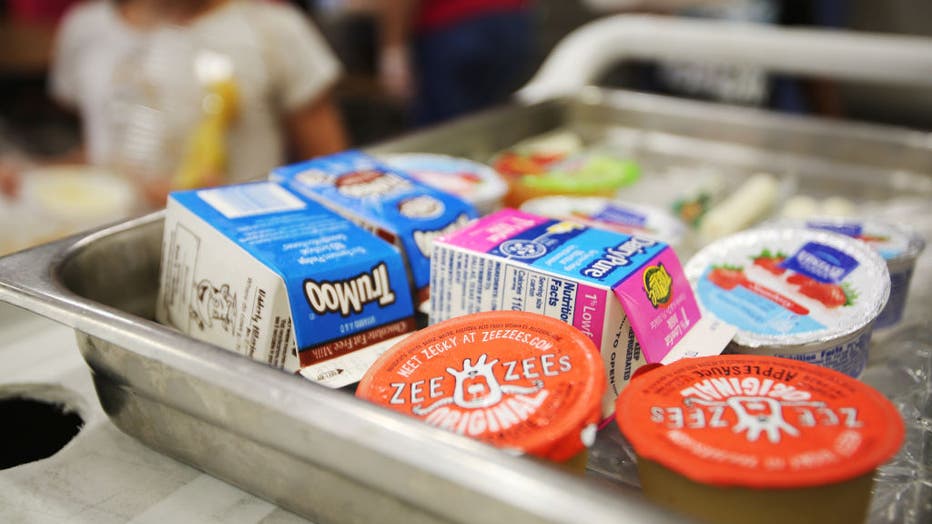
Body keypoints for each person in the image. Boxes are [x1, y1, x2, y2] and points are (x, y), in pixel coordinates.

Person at [2, 0, 348, 207]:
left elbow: (331, 173)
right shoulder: (85, 29)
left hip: (238, 251)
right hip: (111, 245)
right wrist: (34, 176)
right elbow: (100, 149)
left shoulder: (275, 29)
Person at [377, 0, 535, 126]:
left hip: (453, 29)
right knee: (494, 126)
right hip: (512, 24)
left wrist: (393, 47)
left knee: (443, 134)